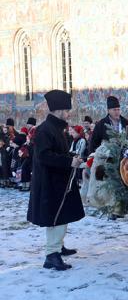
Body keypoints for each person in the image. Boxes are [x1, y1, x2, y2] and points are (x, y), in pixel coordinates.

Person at [27, 89, 85, 271]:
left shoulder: (56, 128)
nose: (68, 113)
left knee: (62, 216)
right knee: (55, 218)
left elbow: (57, 151)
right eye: (67, 110)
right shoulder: (45, 130)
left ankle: (58, 246)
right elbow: (44, 156)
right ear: (59, 110)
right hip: (50, 183)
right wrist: (69, 161)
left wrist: (72, 156)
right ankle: (51, 255)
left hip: (59, 182)